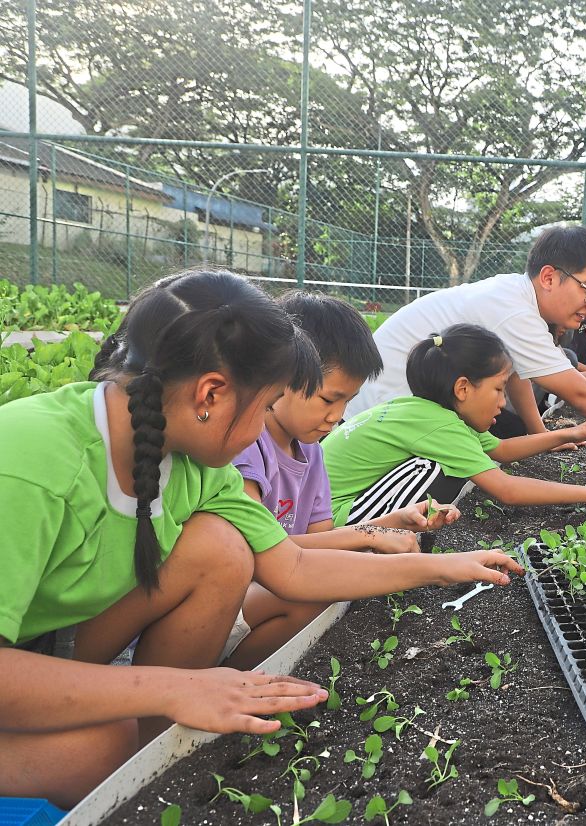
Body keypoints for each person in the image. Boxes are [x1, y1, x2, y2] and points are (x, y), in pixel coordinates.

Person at [0, 270, 520, 808]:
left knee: (220, 548)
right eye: (266, 402)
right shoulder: (30, 462)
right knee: (100, 746)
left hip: (59, 644)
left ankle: (159, 758)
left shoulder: (196, 462)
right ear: (211, 393)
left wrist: (443, 567)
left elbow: (291, 567)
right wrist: (173, 687)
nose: (261, 430)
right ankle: (141, 740)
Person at [350, 226, 586, 488]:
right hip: (385, 416)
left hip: (399, 407)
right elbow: (580, 394)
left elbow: (517, 373)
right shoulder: (514, 311)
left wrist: (538, 433)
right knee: (446, 482)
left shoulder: (515, 296)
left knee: (503, 435)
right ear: (549, 277)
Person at [226, 291, 460, 670]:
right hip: (227, 604)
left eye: (346, 402)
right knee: (313, 589)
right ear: (278, 376)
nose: (336, 416)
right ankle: (227, 680)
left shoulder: (311, 450)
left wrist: (393, 523)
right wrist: (371, 536)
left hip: (263, 595)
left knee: (336, 573)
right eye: (327, 399)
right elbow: (263, 554)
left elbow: (322, 541)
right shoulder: (246, 447)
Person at [325, 324, 586, 523]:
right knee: (434, 470)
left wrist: (568, 433)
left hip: (319, 511)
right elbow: (507, 490)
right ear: (463, 389)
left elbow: (500, 450)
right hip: (336, 521)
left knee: (446, 467)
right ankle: (379, 548)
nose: (501, 401)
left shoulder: (426, 412)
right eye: (498, 389)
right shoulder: (441, 426)